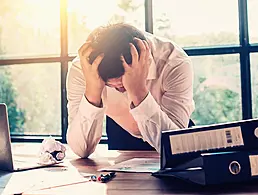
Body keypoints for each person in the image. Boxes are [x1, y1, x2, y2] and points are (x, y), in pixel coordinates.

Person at [66, 23, 195, 158]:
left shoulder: (174, 63)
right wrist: (93, 91)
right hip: (121, 129)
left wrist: (138, 91)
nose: (118, 88)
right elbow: (80, 150)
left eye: (122, 82)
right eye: (110, 85)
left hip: (169, 124)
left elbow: (176, 147)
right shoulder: (82, 69)